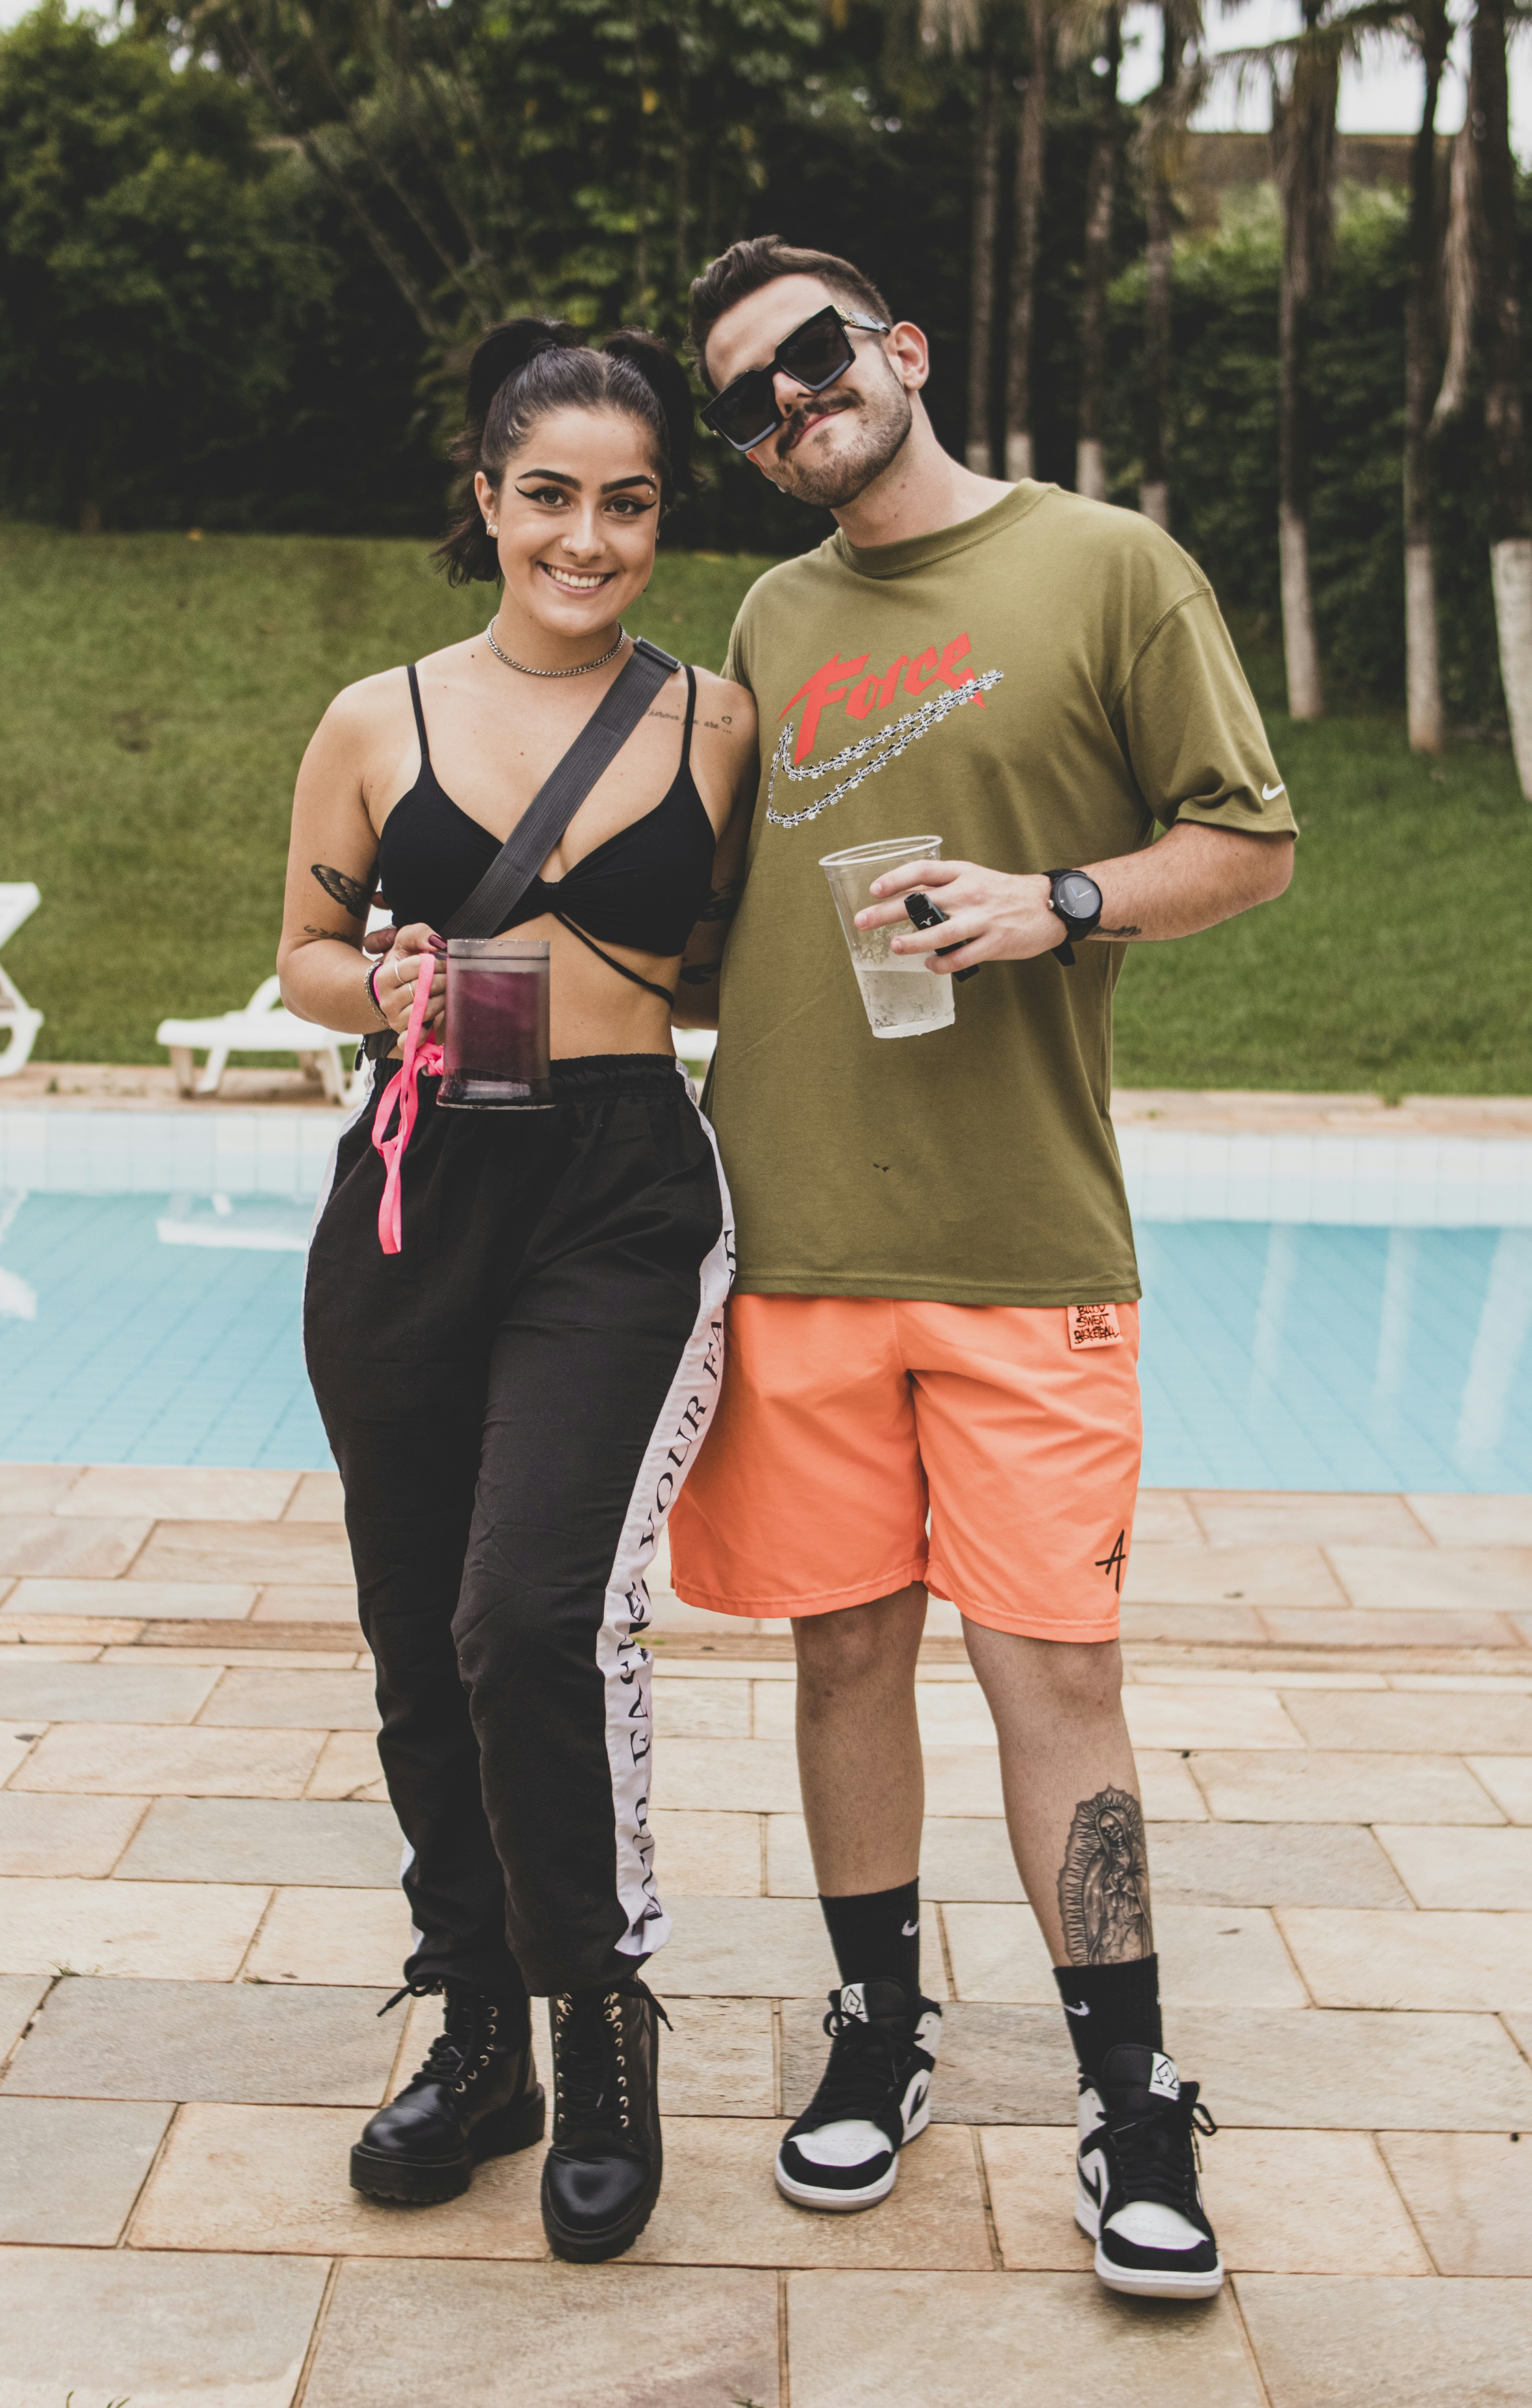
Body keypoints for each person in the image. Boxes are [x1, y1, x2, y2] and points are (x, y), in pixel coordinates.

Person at [668, 236, 1296, 2299]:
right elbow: (704, 911)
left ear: (904, 351)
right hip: (801, 1245)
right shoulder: (771, 611)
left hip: (1028, 1246)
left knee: (1056, 1677)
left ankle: (1132, 2092)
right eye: (750, 397)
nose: (791, 404)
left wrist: (1065, 899)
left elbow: (1253, 837)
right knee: (842, 1655)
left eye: (817, 356)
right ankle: (880, 2024)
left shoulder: (1112, 567)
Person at [278, 319, 755, 2263]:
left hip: (620, 1195)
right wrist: (377, 984)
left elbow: (727, 974)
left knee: (526, 1615)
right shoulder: (372, 716)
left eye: (625, 502)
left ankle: (600, 2024)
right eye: (546, 494)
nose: (585, 535)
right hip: (412, 1199)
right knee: (415, 1636)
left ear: (658, 519)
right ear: (484, 500)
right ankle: (478, 2034)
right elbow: (304, 951)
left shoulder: (715, 720)